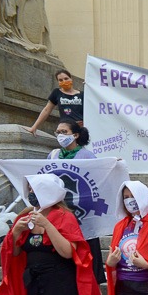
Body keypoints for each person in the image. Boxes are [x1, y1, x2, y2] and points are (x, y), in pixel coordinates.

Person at [47, 120, 104, 284]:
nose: (60, 135)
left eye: (64, 132)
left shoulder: (87, 156)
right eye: (58, 132)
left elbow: (100, 180)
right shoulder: (53, 155)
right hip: (60, 214)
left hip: (83, 214)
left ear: (76, 135)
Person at [27, 69, 83, 133]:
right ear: (58, 82)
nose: (64, 81)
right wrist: (34, 127)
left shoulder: (82, 94)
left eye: (66, 78)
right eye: (60, 80)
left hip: (81, 128)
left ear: (71, 79)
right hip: (65, 129)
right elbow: (46, 110)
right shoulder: (57, 92)